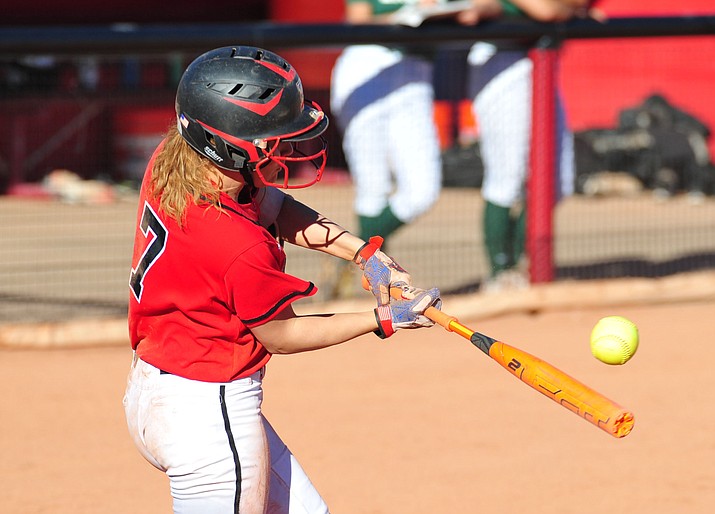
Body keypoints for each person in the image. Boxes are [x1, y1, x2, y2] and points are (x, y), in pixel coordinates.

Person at [123, 45, 442, 514]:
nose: (288, 150)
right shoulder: (238, 246)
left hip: (162, 386)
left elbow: (271, 206)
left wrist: (364, 255)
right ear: (226, 146)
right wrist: (381, 319)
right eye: (273, 142)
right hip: (209, 417)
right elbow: (282, 333)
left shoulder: (178, 163)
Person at [329, 0, 501, 296]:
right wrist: (403, 17)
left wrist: (463, 11)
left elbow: (489, 6)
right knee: (372, 187)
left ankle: (354, 252)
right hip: (367, 64)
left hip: (417, 72)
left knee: (423, 190)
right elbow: (357, 19)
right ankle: (375, 282)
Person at [466, 0, 602, 292]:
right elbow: (547, 10)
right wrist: (574, 12)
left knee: (557, 180)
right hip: (500, 60)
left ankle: (519, 262)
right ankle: (500, 272)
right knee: (508, 175)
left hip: (538, 60)